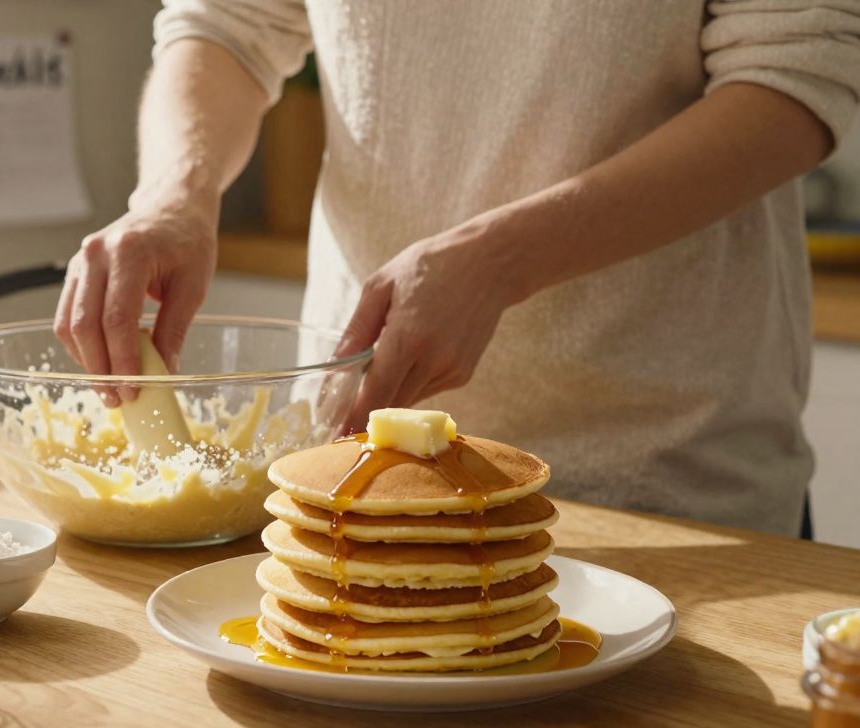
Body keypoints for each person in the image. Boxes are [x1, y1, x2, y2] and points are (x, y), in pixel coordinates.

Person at [52, 1, 860, 537]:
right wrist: (174, 194)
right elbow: (228, 22)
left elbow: (797, 72)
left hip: (670, 490)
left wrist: (505, 257)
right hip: (357, 477)